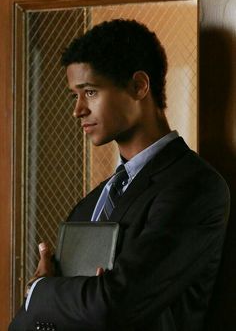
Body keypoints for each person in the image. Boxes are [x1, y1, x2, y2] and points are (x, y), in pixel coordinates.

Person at [9, 19, 230, 331]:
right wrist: (61, 297)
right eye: (75, 95)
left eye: (90, 92)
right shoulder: (89, 205)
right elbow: (30, 322)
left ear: (139, 85)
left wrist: (41, 290)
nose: (78, 110)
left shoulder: (196, 187)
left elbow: (114, 304)